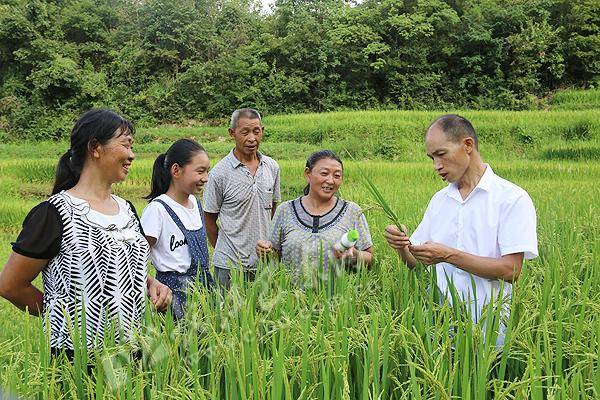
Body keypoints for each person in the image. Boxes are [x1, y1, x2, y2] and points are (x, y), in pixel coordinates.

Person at [0, 109, 172, 358]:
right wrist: (62, 316)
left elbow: (120, 266)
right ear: (95, 147)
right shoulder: (54, 213)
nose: (132, 155)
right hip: (79, 359)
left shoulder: (127, 209)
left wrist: (149, 283)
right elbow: (10, 285)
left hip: (132, 349)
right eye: (126, 145)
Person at [384, 114, 538, 346]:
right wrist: (402, 247)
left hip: (490, 334)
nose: (436, 166)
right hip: (441, 331)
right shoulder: (439, 200)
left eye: (441, 155)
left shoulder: (512, 198)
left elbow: (511, 270)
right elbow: (417, 263)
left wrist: (449, 255)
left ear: (468, 145)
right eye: (431, 158)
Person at [256, 150, 373, 283]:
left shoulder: (352, 211)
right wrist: (263, 252)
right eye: (324, 173)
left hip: (338, 299)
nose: (330, 180)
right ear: (308, 174)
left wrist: (356, 255)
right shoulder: (285, 210)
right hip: (291, 297)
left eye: (337, 175)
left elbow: (370, 258)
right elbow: (274, 257)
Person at [203, 108, 281, 289]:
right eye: (245, 132)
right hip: (229, 265)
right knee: (226, 315)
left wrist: (270, 245)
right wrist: (225, 250)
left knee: (264, 314)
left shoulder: (272, 167)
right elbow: (209, 220)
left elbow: (274, 210)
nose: (252, 138)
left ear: (262, 130)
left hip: (264, 262)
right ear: (232, 133)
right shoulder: (219, 174)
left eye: (256, 131)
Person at [141, 139, 214, 319]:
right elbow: (137, 257)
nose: (205, 178)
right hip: (173, 293)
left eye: (207, 171)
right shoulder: (158, 209)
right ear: (176, 170)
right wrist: (150, 284)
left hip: (204, 288)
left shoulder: (196, 205)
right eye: (200, 171)